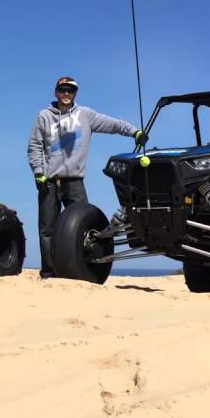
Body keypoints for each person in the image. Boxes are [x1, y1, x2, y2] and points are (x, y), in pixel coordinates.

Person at [27, 76, 144, 279]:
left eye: (70, 90)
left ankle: (81, 269)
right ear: (56, 92)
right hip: (49, 181)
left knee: (84, 226)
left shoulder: (85, 115)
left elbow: (112, 124)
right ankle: (49, 271)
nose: (66, 94)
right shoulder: (44, 116)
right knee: (47, 229)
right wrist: (38, 173)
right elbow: (34, 146)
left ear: (75, 94)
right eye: (62, 90)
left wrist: (134, 132)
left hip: (74, 181)